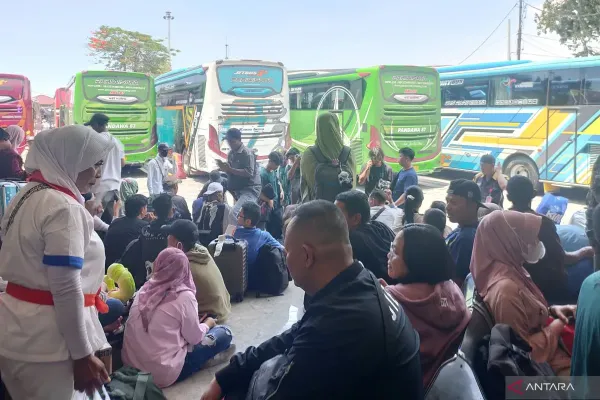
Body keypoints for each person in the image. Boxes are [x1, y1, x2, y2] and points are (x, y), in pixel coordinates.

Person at [201, 200, 423, 400]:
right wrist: (230, 372)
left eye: (287, 253)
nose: (285, 260)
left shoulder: (340, 323)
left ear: (307, 256)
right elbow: (298, 332)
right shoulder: (359, 281)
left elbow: (278, 392)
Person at [0, 125, 114, 399]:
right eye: (93, 164)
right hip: (51, 346)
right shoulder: (65, 208)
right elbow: (65, 288)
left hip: (16, 331)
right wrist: (83, 354)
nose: (98, 174)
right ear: (70, 160)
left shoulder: (27, 194)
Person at [470, 210, 573, 376]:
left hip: (553, 354)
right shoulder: (506, 290)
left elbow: (527, 314)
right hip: (546, 372)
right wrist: (557, 326)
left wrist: (552, 310)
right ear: (509, 240)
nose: (536, 242)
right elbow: (521, 354)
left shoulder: (512, 270)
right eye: (529, 237)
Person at [122, 248, 233, 388]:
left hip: (131, 367)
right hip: (162, 373)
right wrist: (208, 324)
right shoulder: (185, 296)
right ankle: (202, 361)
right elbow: (195, 338)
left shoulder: (143, 290)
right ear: (185, 268)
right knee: (225, 332)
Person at [383, 223, 470, 388]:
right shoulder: (452, 289)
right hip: (448, 384)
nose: (388, 255)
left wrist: (384, 294)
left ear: (415, 260)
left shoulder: (390, 302)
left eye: (395, 251)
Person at [507, 175, 593, 304]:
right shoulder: (542, 223)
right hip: (544, 288)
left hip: (513, 283)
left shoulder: (500, 221)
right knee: (588, 265)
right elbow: (563, 258)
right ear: (534, 194)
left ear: (508, 197)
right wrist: (586, 251)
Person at [163, 220, 231, 321]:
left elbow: (161, 294)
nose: (167, 238)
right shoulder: (200, 252)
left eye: (169, 236)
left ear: (178, 244)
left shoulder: (182, 268)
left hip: (209, 318)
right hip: (222, 309)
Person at [335, 190, 397, 282]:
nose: (332, 219)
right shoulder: (380, 226)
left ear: (356, 218)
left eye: (337, 215)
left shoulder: (352, 239)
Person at [119, 194, 175, 289]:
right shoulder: (174, 231)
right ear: (172, 210)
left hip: (144, 276)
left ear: (154, 212)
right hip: (168, 277)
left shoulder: (145, 230)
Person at [300, 112, 355, 202]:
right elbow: (353, 184)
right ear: (337, 127)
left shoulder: (309, 154)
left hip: (318, 207)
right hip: (343, 207)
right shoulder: (348, 153)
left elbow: (305, 185)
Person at [445, 179, 486, 286]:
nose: (447, 207)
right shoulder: (461, 229)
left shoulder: (466, 238)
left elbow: (456, 281)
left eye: (454, 203)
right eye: (447, 201)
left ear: (472, 205)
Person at [217, 128, 261, 226]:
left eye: (232, 142)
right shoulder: (231, 153)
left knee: (234, 214)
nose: (230, 144)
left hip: (250, 189)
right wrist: (223, 168)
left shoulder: (247, 153)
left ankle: (237, 234)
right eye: (228, 142)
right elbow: (229, 169)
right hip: (238, 190)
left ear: (239, 140)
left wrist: (231, 169)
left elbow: (249, 172)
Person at [87, 114, 125, 223]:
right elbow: (122, 163)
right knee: (112, 220)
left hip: (100, 187)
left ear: (96, 124)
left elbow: (90, 164)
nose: (92, 129)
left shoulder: (95, 141)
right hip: (115, 186)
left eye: (92, 126)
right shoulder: (117, 141)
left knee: (94, 220)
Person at [234, 202, 284, 280]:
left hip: (235, 276)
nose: (237, 216)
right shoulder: (264, 235)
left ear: (248, 221)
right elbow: (282, 249)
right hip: (255, 279)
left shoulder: (233, 231)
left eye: (240, 216)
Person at [104, 194, 150, 268]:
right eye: (146, 207)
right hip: (129, 270)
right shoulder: (144, 227)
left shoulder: (115, 222)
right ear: (142, 209)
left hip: (110, 266)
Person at [260, 151, 284, 238]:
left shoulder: (273, 172)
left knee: (279, 228)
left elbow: (278, 182)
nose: (277, 166)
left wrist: (281, 191)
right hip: (268, 207)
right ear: (271, 161)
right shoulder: (262, 174)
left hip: (277, 205)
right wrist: (268, 200)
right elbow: (258, 192)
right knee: (272, 231)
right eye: (276, 164)